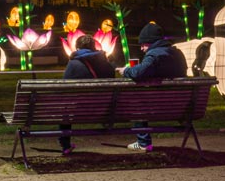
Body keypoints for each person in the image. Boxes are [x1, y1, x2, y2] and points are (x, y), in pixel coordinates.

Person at [117, 22, 188, 152]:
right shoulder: (178, 54)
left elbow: (138, 73)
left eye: (143, 45)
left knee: (137, 104)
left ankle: (143, 142)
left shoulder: (154, 55)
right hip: (182, 106)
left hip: (157, 106)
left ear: (149, 43)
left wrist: (126, 71)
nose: (141, 49)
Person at [60, 34, 116, 155]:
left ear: (77, 48)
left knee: (64, 110)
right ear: (94, 47)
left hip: (78, 111)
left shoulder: (73, 64)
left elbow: (64, 87)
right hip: (104, 109)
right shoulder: (105, 63)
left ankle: (65, 145)